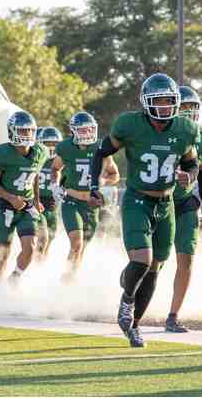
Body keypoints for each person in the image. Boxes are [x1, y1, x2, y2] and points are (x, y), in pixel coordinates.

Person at [89, 73, 200, 348]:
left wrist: (190, 175)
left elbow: (192, 163)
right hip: (137, 200)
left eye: (168, 101)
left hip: (166, 204)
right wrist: (94, 186)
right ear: (146, 102)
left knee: (155, 268)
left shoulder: (186, 129)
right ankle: (127, 300)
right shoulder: (130, 124)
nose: (164, 106)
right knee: (142, 260)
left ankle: (134, 326)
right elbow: (101, 152)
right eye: (158, 101)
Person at [166, 85, 202, 333]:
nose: (188, 112)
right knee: (153, 260)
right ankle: (132, 299)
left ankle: (173, 316)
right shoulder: (162, 134)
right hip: (158, 202)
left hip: (186, 202)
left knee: (186, 259)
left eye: (192, 107)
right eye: (184, 107)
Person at [51, 111, 120, 282]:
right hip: (72, 201)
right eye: (83, 130)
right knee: (77, 242)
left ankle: (72, 276)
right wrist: (55, 185)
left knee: (82, 247)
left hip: (91, 204)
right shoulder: (66, 148)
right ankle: (66, 278)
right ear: (74, 131)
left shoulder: (101, 148)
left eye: (90, 129)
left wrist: (103, 180)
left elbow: (115, 175)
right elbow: (55, 169)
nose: (88, 133)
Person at [0, 111, 48, 284]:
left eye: (30, 130)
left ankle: (15, 278)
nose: (27, 134)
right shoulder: (2, 153)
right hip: (6, 207)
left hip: (27, 208)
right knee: (3, 251)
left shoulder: (40, 151)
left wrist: (36, 201)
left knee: (30, 247)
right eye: (22, 130)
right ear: (12, 131)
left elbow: (34, 175)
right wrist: (11, 197)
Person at [36, 126, 64, 260]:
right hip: (37, 200)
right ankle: (35, 261)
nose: (51, 147)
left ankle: (41, 263)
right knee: (43, 237)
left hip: (52, 204)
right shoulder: (35, 158)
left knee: (51, 237)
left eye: (55, 143)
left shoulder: (62, 161)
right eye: (48, 143)